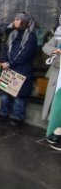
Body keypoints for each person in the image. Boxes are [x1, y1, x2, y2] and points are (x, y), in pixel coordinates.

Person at [0, 12, 37, 126]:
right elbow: (4, 48)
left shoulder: (31, 37)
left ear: (24, 22)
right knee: (4, 93)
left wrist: (10, 63)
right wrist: (4, 61)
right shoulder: (12, 34)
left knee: (19, 96)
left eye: (17, 20)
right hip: (9, 68)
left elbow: (25, 54)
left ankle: (17, 117)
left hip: (22, 70)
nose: (14, 21)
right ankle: (2, 113)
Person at [42, 15, 61, 147]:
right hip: (57, 74)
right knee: (57, 103)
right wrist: (54, 50)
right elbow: (45, 47)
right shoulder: (58, 33)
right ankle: (54, 133)